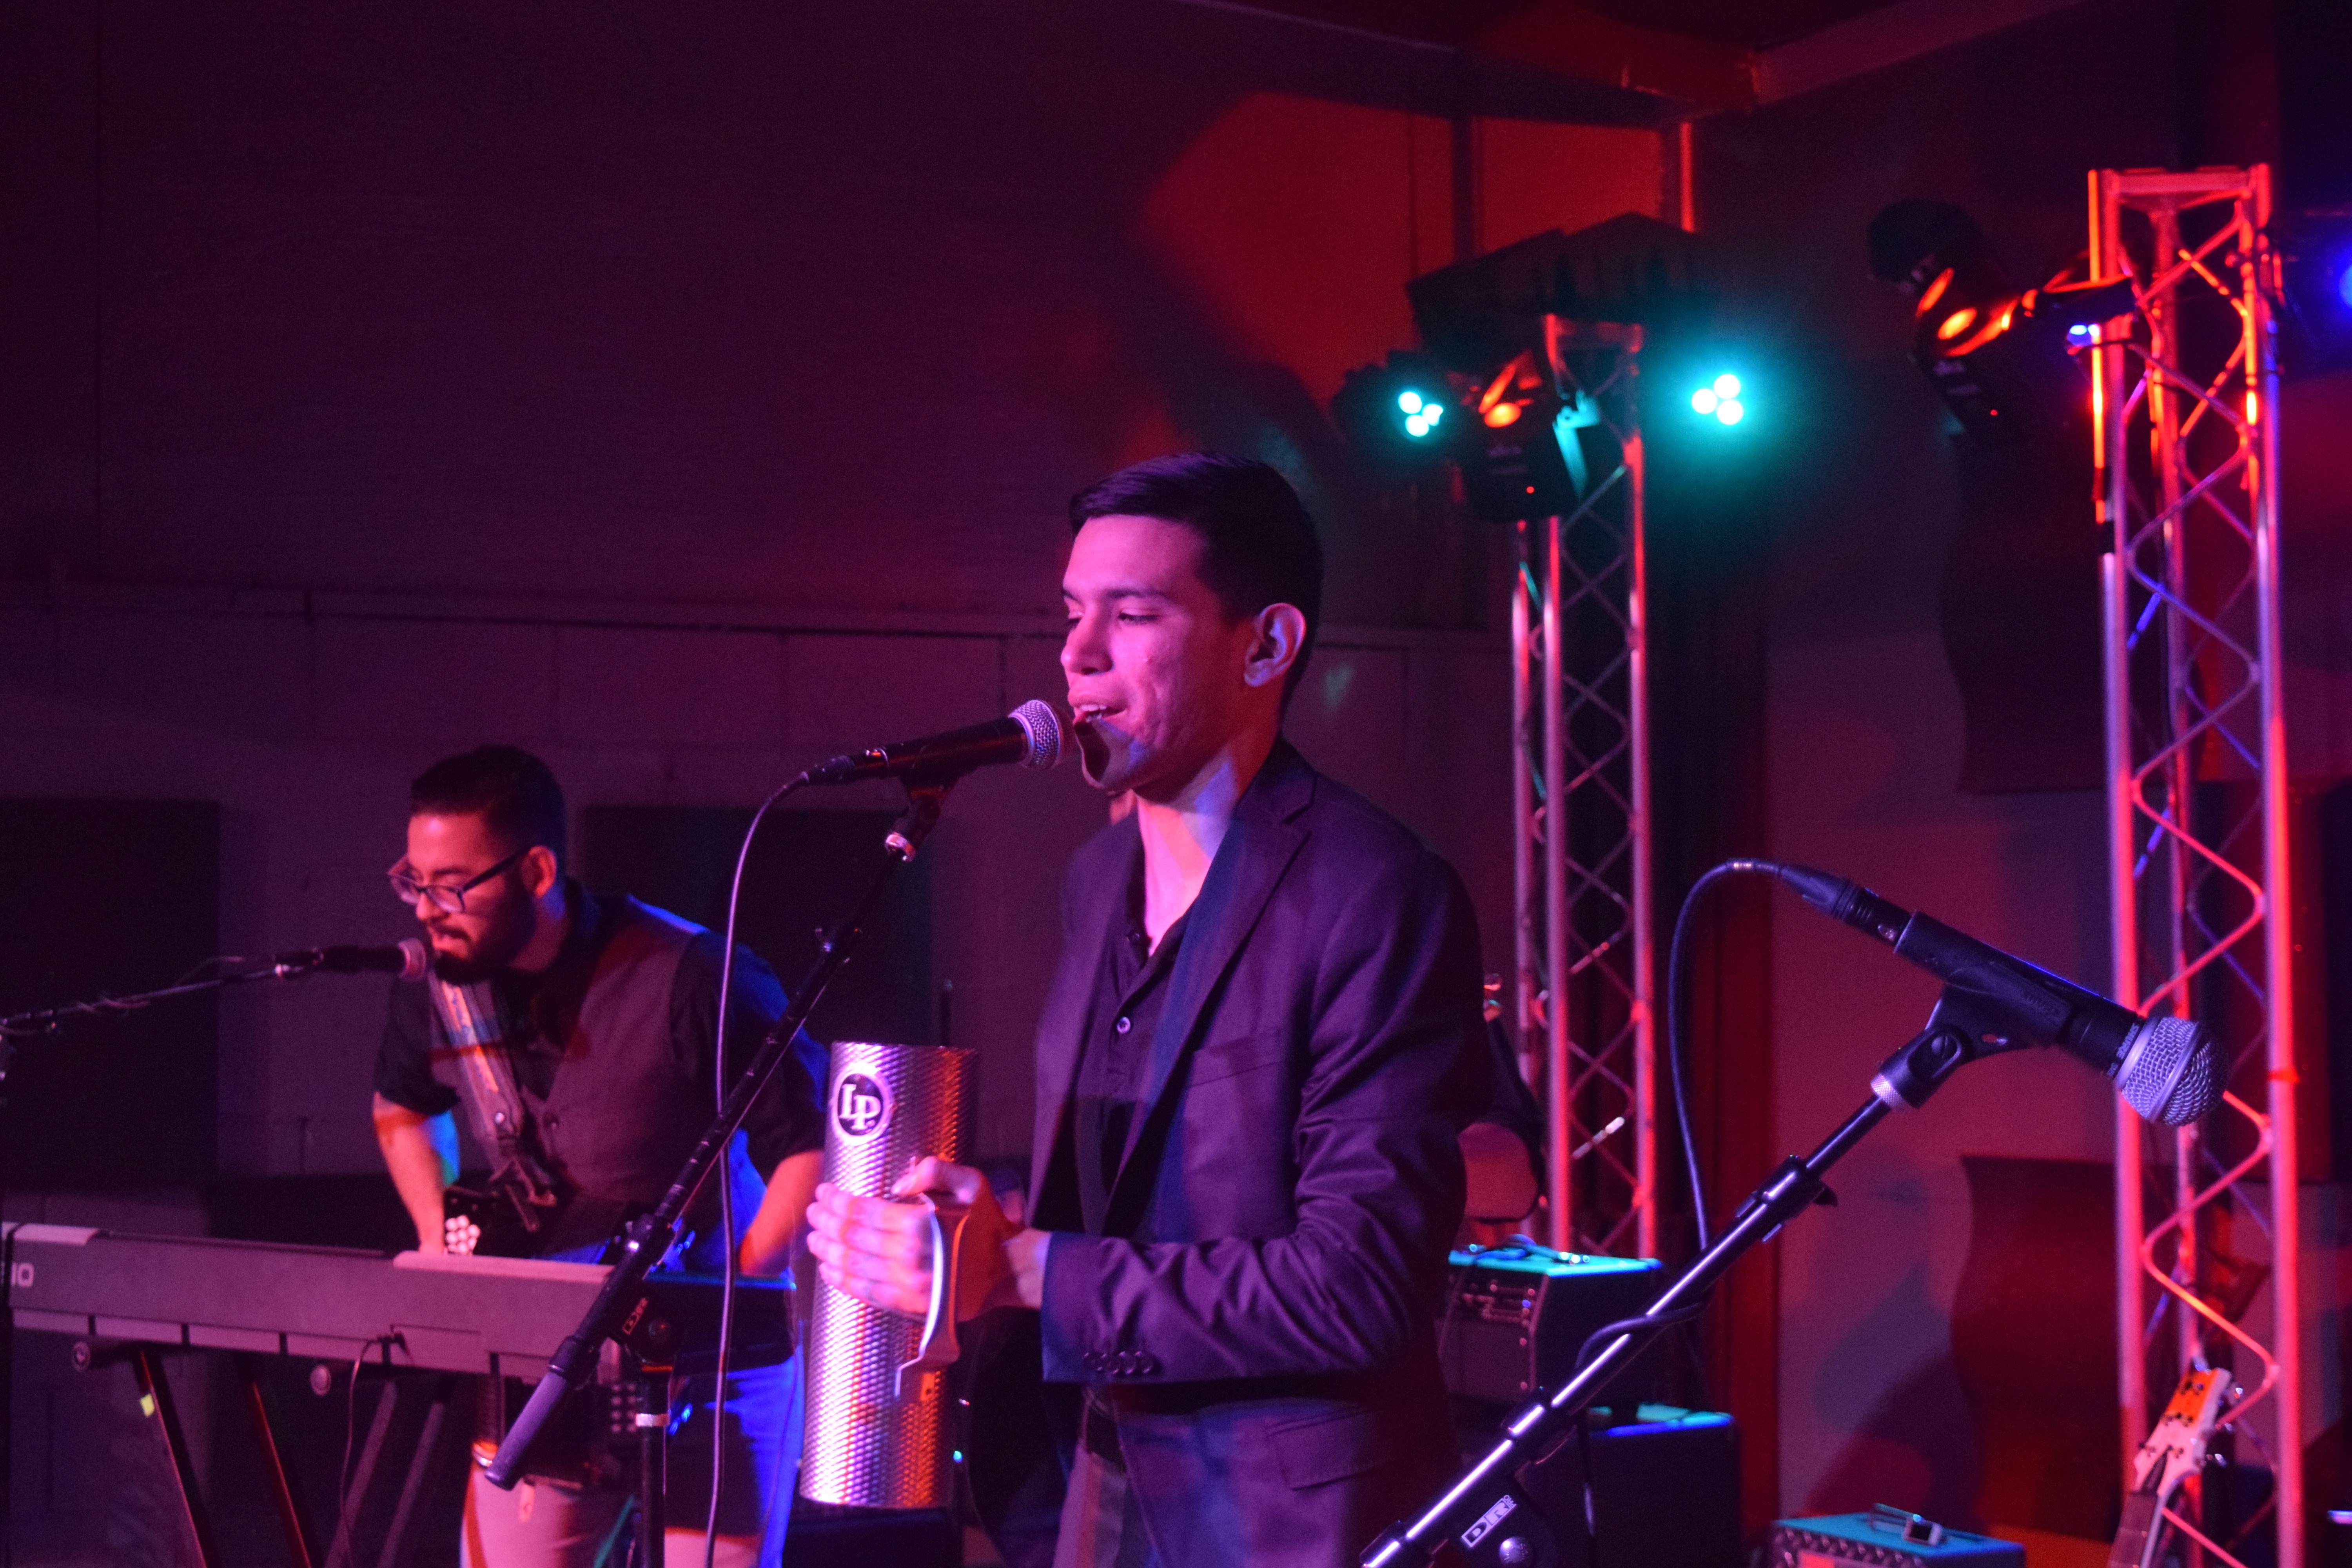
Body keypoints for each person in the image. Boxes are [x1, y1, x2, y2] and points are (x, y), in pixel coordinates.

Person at [809, 453, 1487, 1567]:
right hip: (1089, 1484)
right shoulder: (1096, 880)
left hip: (1281, 1524)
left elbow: (1362, 1283)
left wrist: (1020, 1267)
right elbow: (1128, 1196)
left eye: (1131, 615)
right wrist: (960, 1232)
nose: (1077, 654)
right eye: (1072, 613)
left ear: (1265, 645)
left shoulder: (1376, 891)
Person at [369, 745, 826, 1568]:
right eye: (415, 882)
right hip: (540, 1360)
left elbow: (810, 1146)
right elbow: (401, 1106)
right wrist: (437, 1236)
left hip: (716, 1362)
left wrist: (724, 1304)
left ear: (536, 871)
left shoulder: (693, 974)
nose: (428, 912)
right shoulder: (436, 983)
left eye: (452, 886)